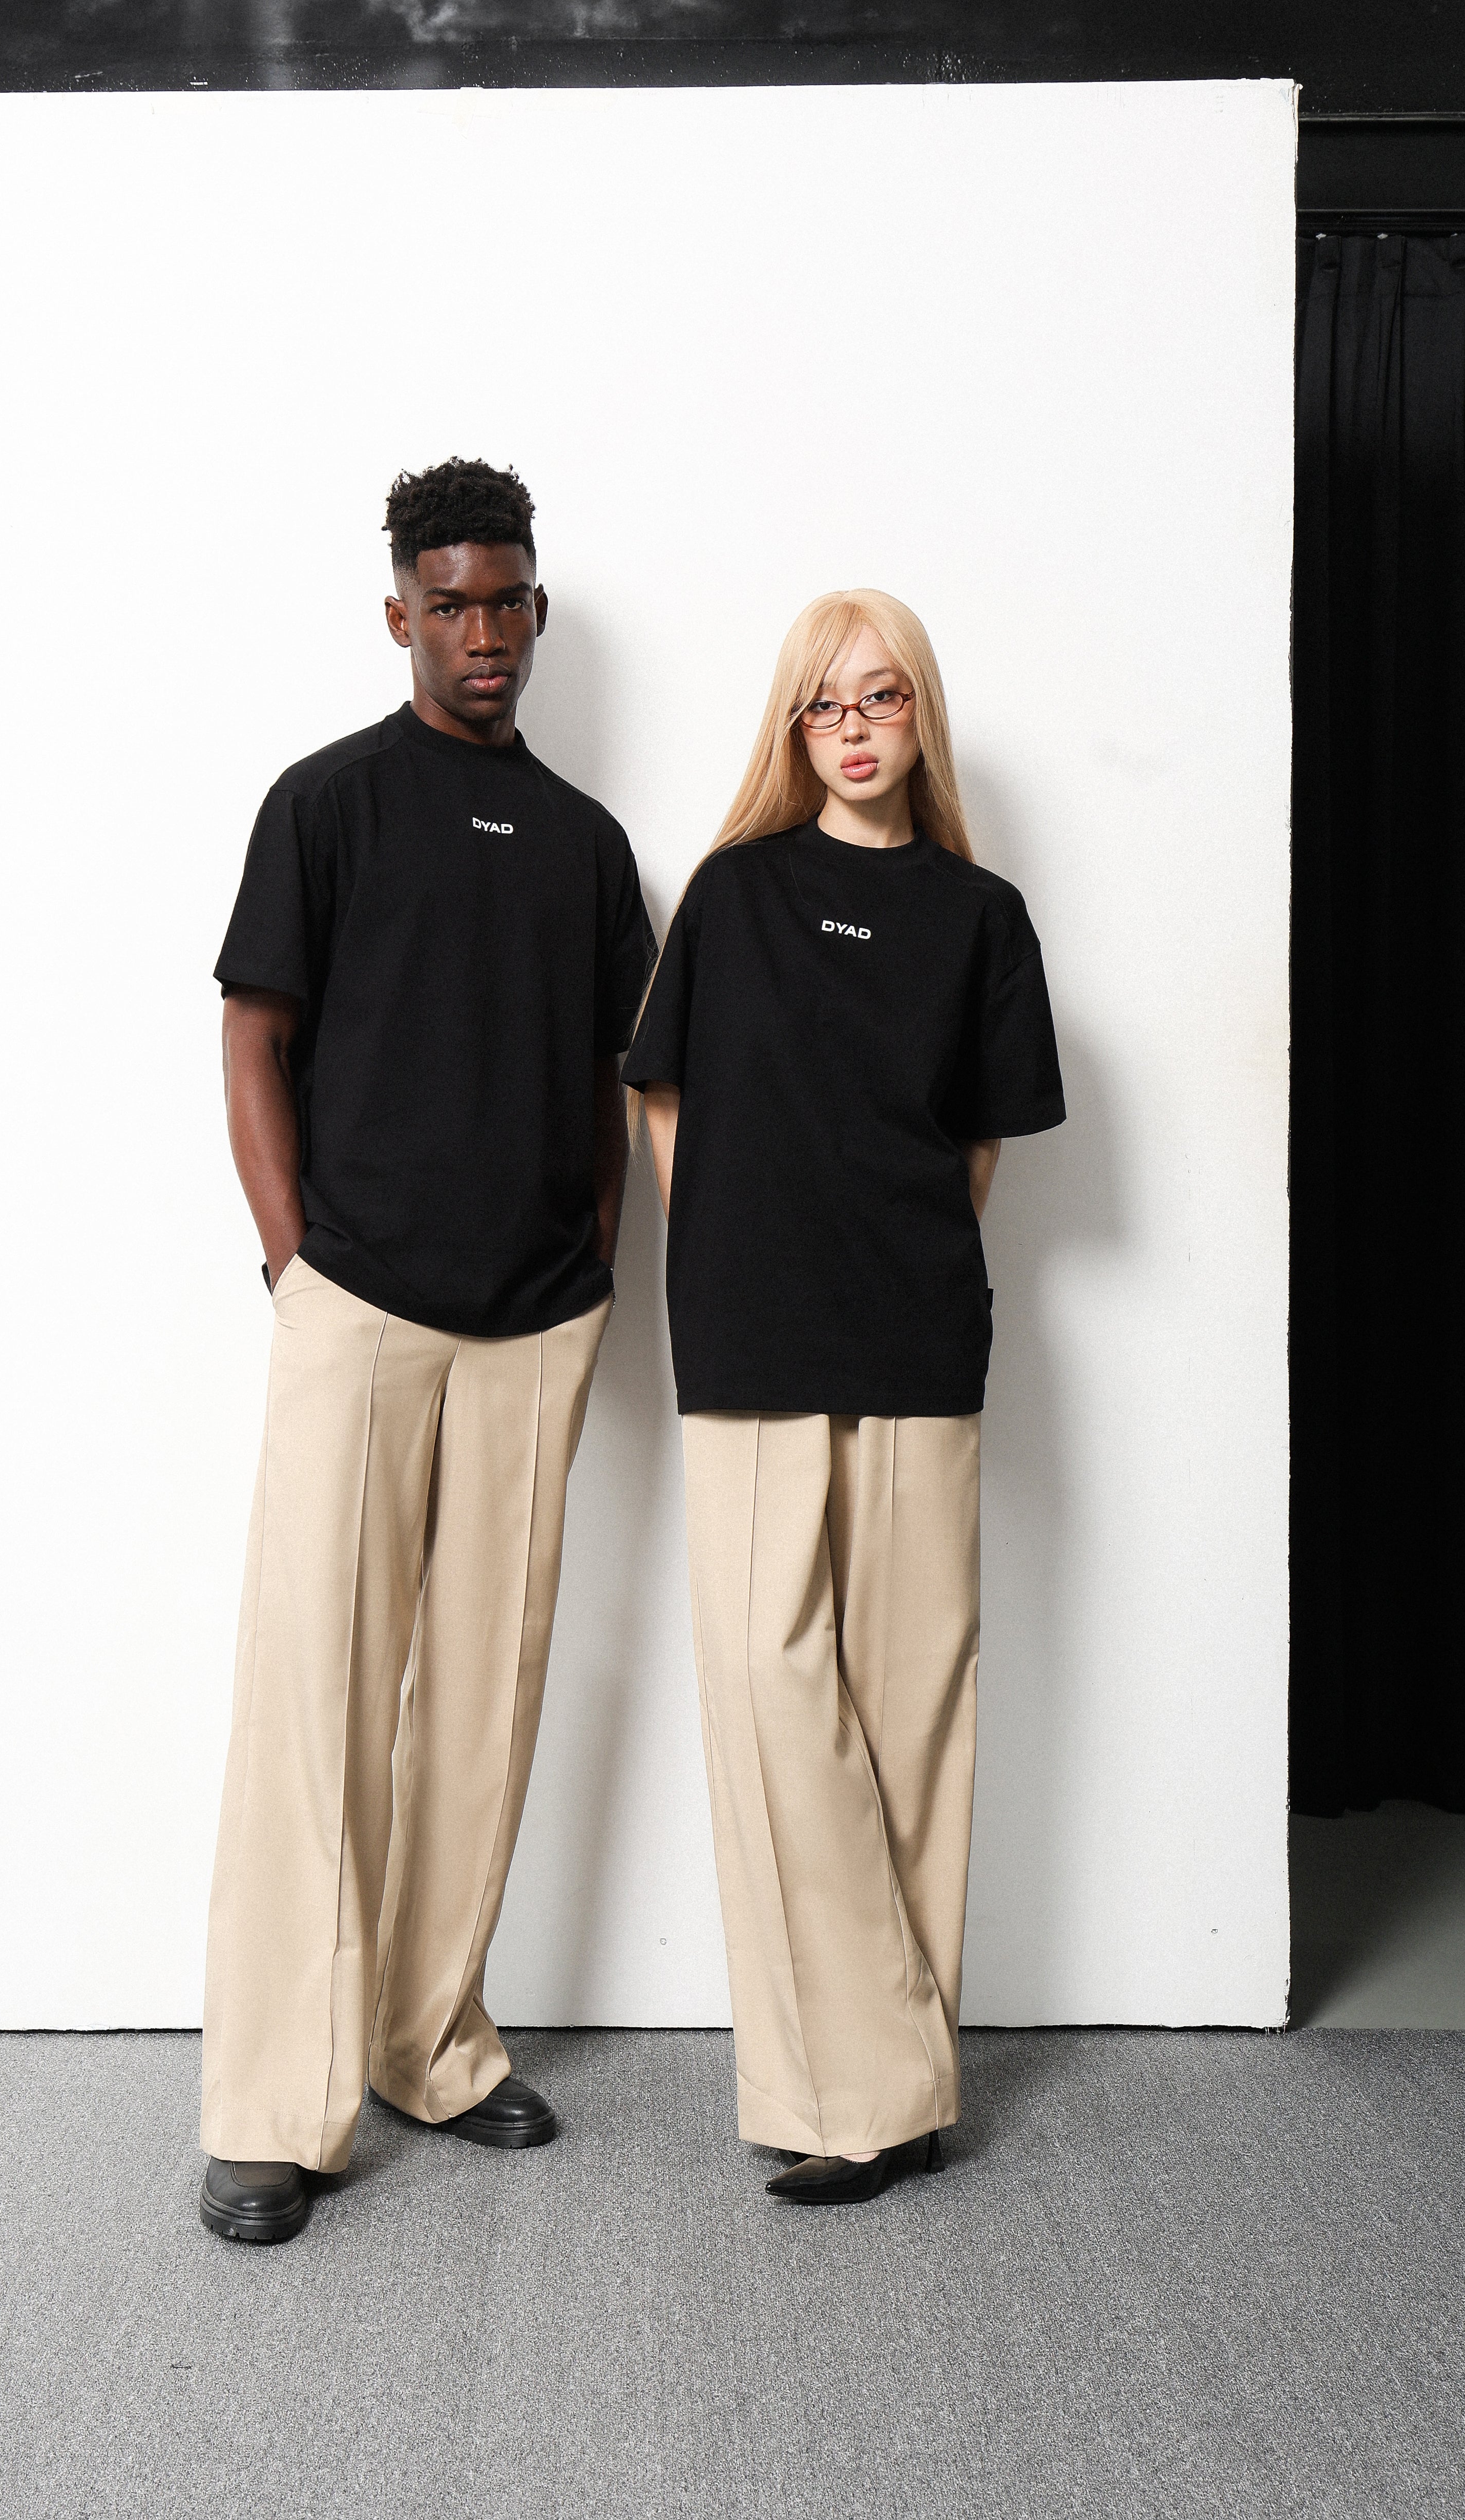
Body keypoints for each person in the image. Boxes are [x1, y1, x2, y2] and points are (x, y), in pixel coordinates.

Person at [198, 459, 653, 2245]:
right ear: (400, 613)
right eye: (449, 603)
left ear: (538, 613)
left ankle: (430, 2044)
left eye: (505, 601)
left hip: (537, 1326)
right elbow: (254, 1036)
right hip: (362, 1308)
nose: (481, 632)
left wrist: (594, 1265)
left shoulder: (590, 847)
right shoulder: (326, 803)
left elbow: (618, 1080)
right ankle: (271, 2106)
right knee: (313, 1699)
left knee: (483, 1702)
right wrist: (293, 1264)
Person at [623, 589, 1064, 2206]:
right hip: (750, 1335)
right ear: (794, 726)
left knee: (912, 1704)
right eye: (827, 702)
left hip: (918, 1336)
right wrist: (730, 1248)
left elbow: (980, 1141)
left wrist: (896, 1254)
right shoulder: (733, 895)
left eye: (884, 697)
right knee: (768, 1677)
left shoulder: (982, 917)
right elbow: (661, 1095)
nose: (857, 727)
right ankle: (885, 2073)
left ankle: (884, 2094)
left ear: (921, 714)